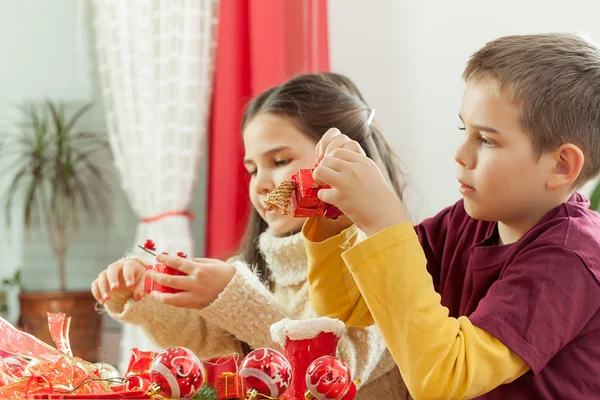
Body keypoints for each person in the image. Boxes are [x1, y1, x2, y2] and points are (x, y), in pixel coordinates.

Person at [304, 33, 600, 399]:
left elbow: (445, 378)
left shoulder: (571, 259)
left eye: (487, 140)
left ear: (561, 165)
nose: (460, 153)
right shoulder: (468, 221)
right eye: (465, 130)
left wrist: (385, 224)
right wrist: (339, 219)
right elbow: (349, 307)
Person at [91, 72, 411, 398]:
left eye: (280, 161)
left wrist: (232, 295)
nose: (261, 184)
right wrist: (145, 291)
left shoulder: (372, 258)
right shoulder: (267, 265)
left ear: (343, 158)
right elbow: (202, 331)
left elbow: (331, 374)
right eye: (253, 169)